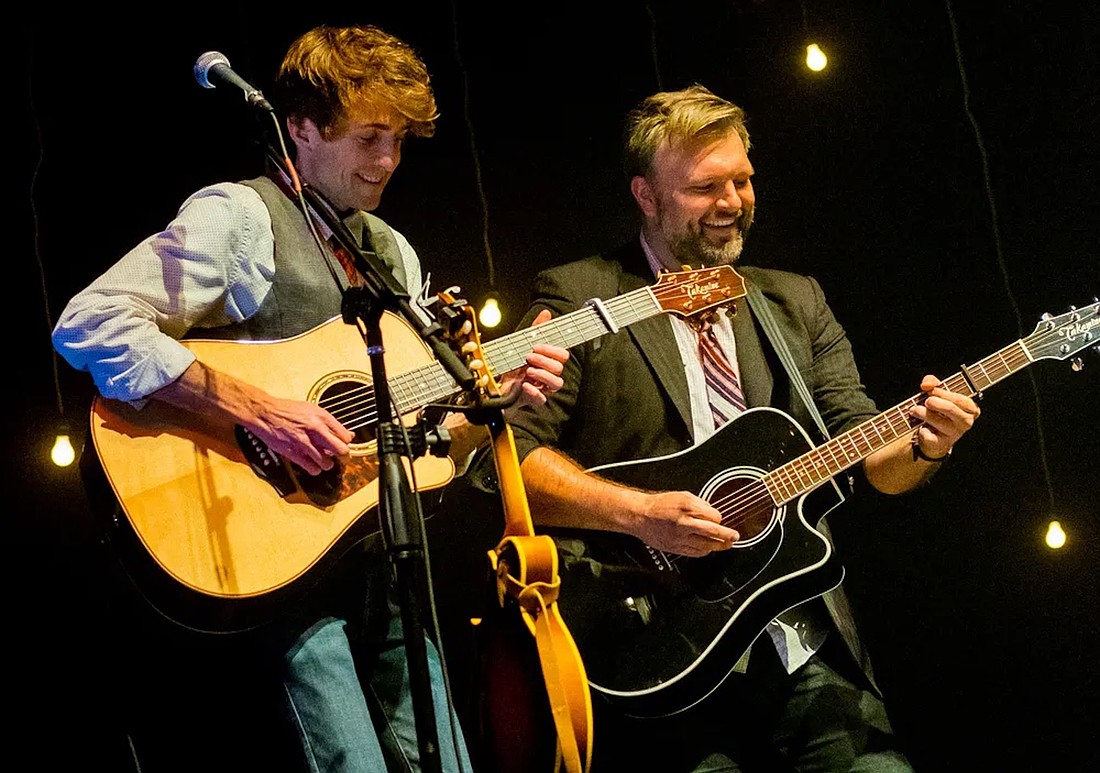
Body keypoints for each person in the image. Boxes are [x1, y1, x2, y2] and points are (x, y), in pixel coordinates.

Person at [51, 23, 567, 773]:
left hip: (384, 563)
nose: (387, 162)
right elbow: (89, 321)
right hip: (278, 568)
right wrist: (254, 408)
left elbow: (415, 432)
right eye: (369, 137)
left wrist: (486, 398)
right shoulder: (239, 216)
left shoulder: (391, 252)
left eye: (399, 140)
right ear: (299, 127)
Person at [498, 84, 981, 771]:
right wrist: (640, 514)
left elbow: (872, 454)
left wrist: (930, 442)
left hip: (805, 647)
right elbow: (508, 463)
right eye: (705, 187)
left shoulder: (794, 299)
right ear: (646, 195)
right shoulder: (583, 296)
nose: (732, 202)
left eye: (743, 179)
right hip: (660, 651)